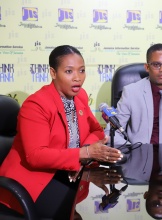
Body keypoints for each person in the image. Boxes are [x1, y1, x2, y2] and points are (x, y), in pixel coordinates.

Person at [0, 45, 123, 219]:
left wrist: (83, 157)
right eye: (69, 71)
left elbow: (96, 130)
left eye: (81, 71)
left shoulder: (79, 96)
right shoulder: (36, 105)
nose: (77, 78)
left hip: (65, 173)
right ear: (53, 72)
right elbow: (35, 156)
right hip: (30, 185)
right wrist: (84, 152)